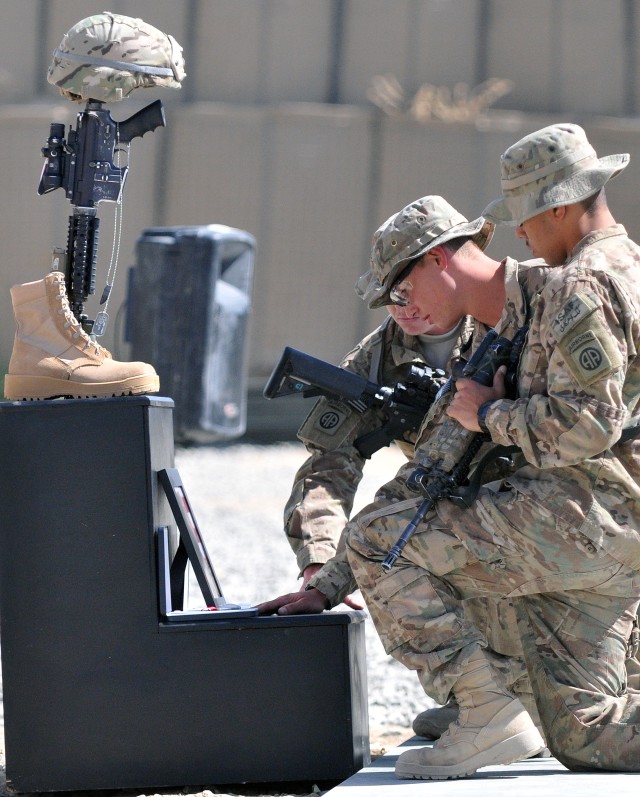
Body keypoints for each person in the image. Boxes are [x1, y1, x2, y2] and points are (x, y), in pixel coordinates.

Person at [310, 123, 640, 780]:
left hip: (592, 518)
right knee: (583, 735)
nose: (521, 234)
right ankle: (503, 703)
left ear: (558, 204)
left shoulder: (578, 284)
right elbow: (431, 461)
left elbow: (589, 425)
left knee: (384, 540)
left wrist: (488, 413)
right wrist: (324, 584)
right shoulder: (593, 277)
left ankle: (486, 709)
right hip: (601, 529)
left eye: (526, 215)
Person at [260, 195, 549, 748]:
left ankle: (524, 693)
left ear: (441, 264)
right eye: (387, 299)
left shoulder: (509, 319)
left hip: (540, 497)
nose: (402, 309)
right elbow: (327, 467)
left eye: (404, 290)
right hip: (452, 501)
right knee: (400, 548)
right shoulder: (373, 363)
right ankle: (486, 698)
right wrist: (320, 560)